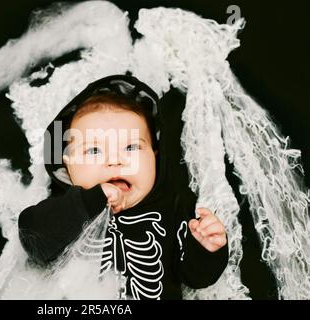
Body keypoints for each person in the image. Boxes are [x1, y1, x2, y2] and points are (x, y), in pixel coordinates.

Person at [18, 74, 228, 300]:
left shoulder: (171, 211)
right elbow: (34, 239)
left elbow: (195, 277)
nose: (115, 161)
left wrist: (206, 249)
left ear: (154, 157)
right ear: (68, 167)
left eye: (131, 147)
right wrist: (89, 201)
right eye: (94, 151)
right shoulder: (64, 211)